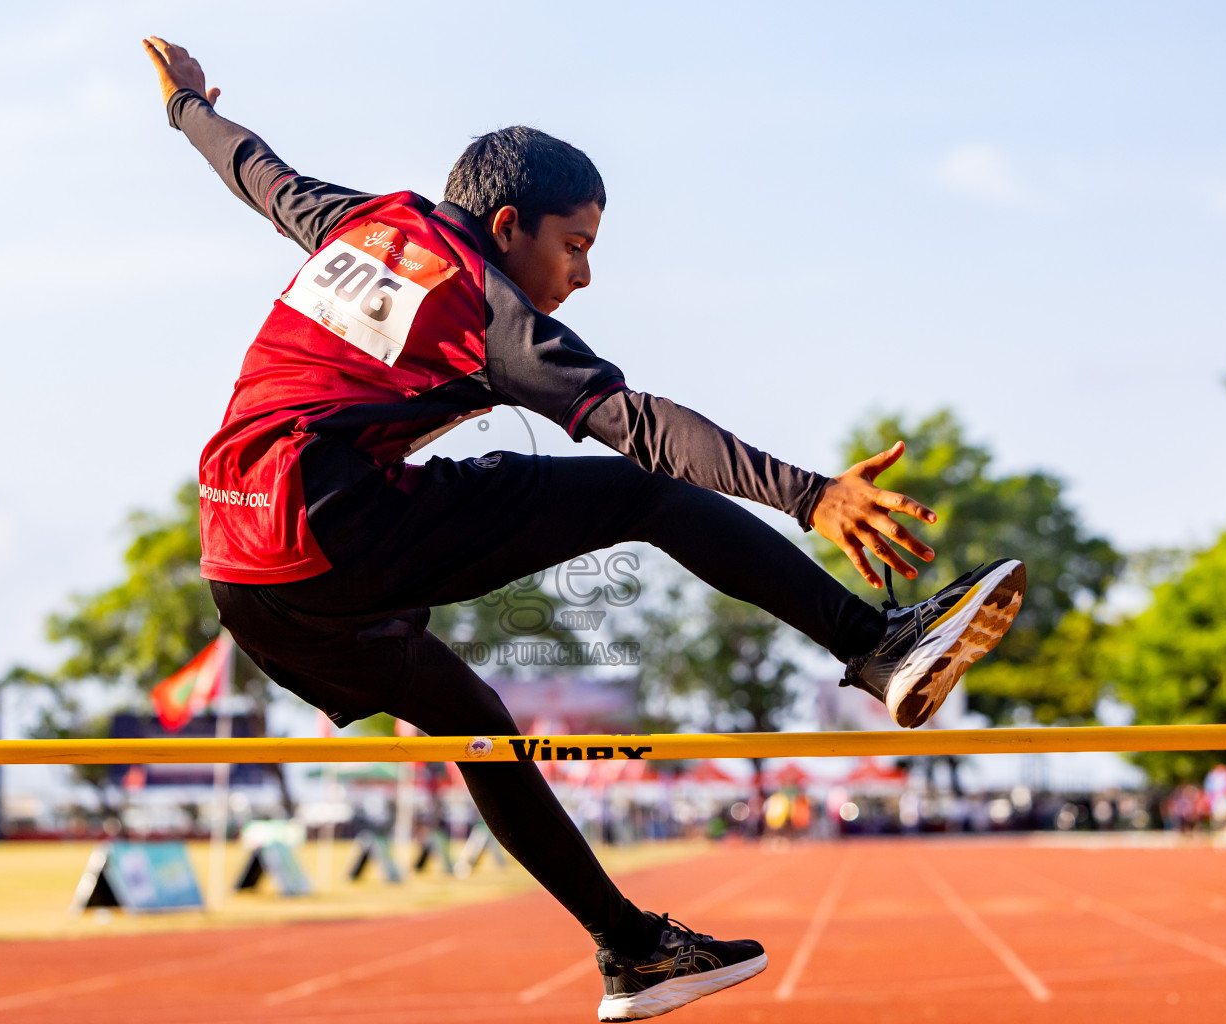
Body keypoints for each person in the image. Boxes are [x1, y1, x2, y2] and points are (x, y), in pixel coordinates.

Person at [142, 36, 1025, 1022]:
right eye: (576, 246)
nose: (584, 275)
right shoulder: (486, 308)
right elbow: (642, 428)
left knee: (477, 731)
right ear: (509, 225)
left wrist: (184, 107)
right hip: (328, 520)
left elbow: (259, 173)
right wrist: (812, 495)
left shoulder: (358, 226)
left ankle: (634, 950)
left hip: (245, 568)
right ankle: (874, 644)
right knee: (645, 491)